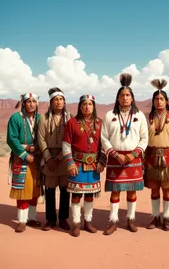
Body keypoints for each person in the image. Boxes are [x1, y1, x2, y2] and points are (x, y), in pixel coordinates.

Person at [101, 73, 148, 235]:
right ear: (118, 98)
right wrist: (115, 154)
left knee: (132, 191)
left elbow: (144, 138)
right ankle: (113, 221)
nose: (125, 98)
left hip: (133, 158)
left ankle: (130, 219)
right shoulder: (110, 115)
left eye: (128, 95)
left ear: (132, 98)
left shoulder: (139, 115)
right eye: (122, 95)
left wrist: (134, 154)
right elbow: (104, 138)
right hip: (115, 158)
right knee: (115, 191)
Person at [62, 94, 106, 237]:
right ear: (80, 106)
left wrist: (101, 161)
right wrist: (70, 164)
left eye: (90, 104)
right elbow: (66, 145)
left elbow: (104, 144)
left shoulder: (100, 123)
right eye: (84, 104)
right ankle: (76, 223)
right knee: (76, 196)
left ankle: (88, 221)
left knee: (89, 196)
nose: (87, 107)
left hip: (94, 165)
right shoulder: (72, 123)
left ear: (94, 106)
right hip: (77, 164)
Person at [144, 79, 169, 231]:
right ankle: (155, 217)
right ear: (153, 101)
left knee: (167, 189)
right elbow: (144, 140)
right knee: (154, 189)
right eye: (156, 99)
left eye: (161, 99)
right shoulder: (148, 118)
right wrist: (144, 160)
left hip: (168, 158)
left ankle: (166, 218)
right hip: (152, 158)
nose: (158, 101)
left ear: (166, 101)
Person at [37, 87, 71, 231]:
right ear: (51, 102)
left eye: (61, 99)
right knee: (50, 191)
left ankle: (63, 218)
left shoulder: (69, 118)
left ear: (64, 101)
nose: (58, 102)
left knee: (65, 190)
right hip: (49, 158)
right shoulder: (43, 119)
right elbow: (41, 139)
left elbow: (71, 138)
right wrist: (48, 158)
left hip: (64, 158)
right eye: (55, 99)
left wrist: (61, 156)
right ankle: (50, 219)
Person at [7, 93, 41, 233]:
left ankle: (31, 218)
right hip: (21, 159)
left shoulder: (40, 118)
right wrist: (25, 153)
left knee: (35, 189)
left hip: (38, 159)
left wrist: (38, 149)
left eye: (34, 101)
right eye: (28, 101)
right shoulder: (16, 118)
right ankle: (22, 221)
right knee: (22, 189)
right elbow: (12, 139)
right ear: (23, 103)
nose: (31, 104)